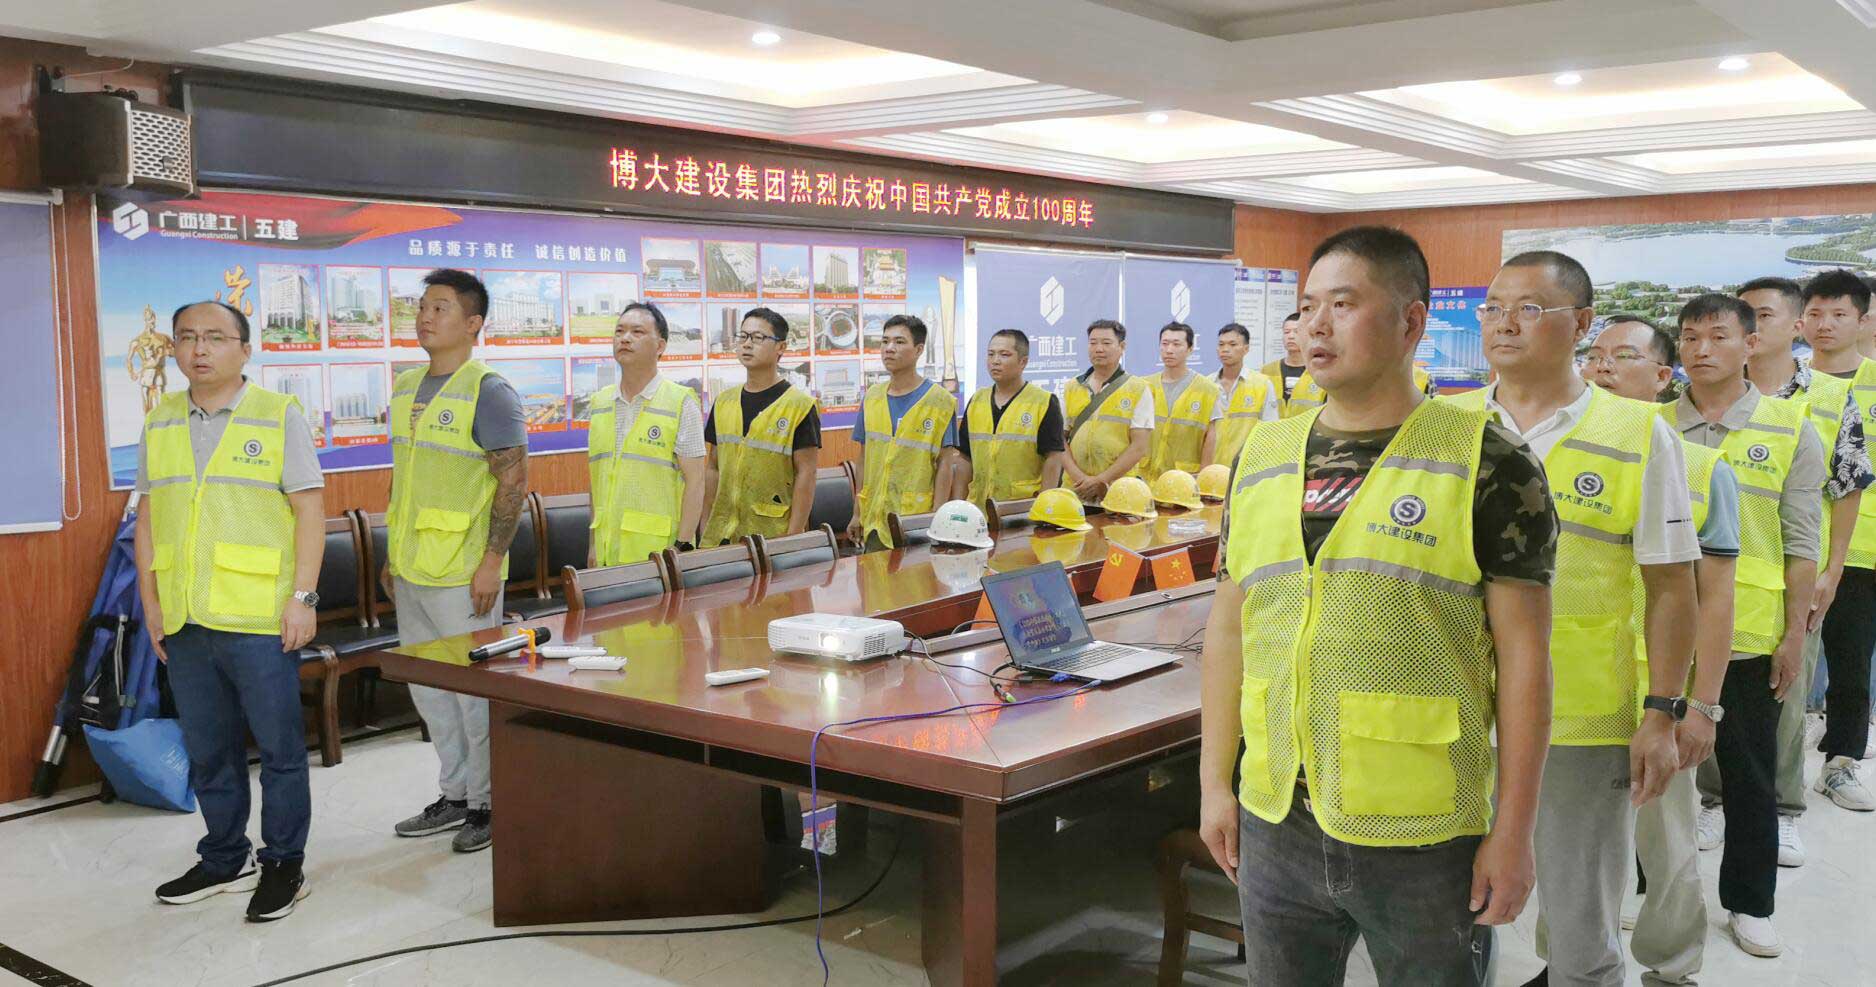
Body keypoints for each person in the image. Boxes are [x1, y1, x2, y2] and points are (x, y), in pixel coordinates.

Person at [1197, 226, 1556, 987]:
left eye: (1344, 304)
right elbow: (1229, 630)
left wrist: (1514, 830)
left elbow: (1526, 661)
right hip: (1276, 812)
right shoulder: (1262, 455)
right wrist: (1214, 784)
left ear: (1411, 321)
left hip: (1422, 827)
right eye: (1307, 307)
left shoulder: (1489, 461)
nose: (1316, 326)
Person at [1445, 253, 1697, 987]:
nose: (1504, 324)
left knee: (1580, 924)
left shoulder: (1639, 433)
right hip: (1449, 712)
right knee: (1446, 915)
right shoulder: (1444, 424)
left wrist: (1662, 712)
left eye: (1529, 308)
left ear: (1581, 323)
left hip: (1580, 718)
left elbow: (1671, 588)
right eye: (1493, 308)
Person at [137, 301, 322, 922]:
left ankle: (284, 863)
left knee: (280, 751)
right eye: (187, 337)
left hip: (261, 618)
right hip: (186, 618)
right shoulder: (161, 420)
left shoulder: (277, 414)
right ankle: (224, 857)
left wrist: (303, 597)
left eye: (215, 338)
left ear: (245, 349)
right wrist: (152, 603)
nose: (199, 349)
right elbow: (148, 521)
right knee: (209, 749)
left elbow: (310, 511)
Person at [1586, 315, 1740, 987]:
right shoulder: (1559, 456)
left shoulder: (1703, 469)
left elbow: (1716, 600)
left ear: (1662, 376)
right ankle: (1568, 959)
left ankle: (1672, 967)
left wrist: (1701, 704)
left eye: (1623, 355)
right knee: (1573, 844)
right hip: (1581, 686)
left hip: (1663, 697)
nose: (1602, 366)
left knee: (1667, 841)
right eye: (1595, 354)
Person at [1670, 292, 1825, 957]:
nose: (1701, 349)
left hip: (1750, 635)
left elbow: (1802, 541)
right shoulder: (1651, 425)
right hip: (1659, 632)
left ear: (1750, 343)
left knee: (1750, 776)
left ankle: (1750, 902)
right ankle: (1650, 890)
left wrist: (1795, 634)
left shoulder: (1790, 427)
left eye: (1717, 336)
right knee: (1652, 774)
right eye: (1689, 337)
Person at [383, 269, 530, 855]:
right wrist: (392, 555)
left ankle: (489, 803)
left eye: (440, 307)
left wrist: (492, 561)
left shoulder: (489, 391)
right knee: (431, 690)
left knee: (475, 694)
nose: (425, 316)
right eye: (422, 306)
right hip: (412, 566)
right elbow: (404, 480)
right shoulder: (404, 387)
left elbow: (513, 483)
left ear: (473, 324)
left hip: (466, 572)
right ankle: (455, 793)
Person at [1733, 276, 1873, 855]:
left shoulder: (1832, 397)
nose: (1750, 326)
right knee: (1713, 688)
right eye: (1743, 314)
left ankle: (1791, 800)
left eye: (1764, 315)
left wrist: (1832, 569)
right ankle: (1715, 801)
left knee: (1798, 687)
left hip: (1804, 564)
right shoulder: (1709, 390)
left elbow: (1848, 486)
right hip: (1727, 568)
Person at [1792, 270, 1876, 812]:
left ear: (1862, 320)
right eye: (1816, 314)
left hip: (1863, 551)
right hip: (1793, 550)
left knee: (1851, 663)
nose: (1825, 325)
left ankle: (1840, 763)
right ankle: (1757, 778)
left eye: (1839, 314)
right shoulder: (1788, 385)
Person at [587, 301, 706, 566]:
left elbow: (696, 481)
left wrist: (682, 546)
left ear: (660, 346)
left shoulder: (680, 402)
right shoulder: (599, 403)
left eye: (637, 332)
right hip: (605, 555)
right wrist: (593, 545)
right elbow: (597, 481)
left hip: (659, 556)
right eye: (619, 331)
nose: (625, 338)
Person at [701, 307, 821, 546]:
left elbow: (806, 474)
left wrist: (793, 536)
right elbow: (713, 467)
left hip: (772, 536)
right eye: (743, 336)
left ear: (781, 347)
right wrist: (705, 526)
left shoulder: (800, 406)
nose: (747, 344)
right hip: (721, 536)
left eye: (757, 338)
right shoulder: (724, 402)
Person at [849, 314, 961, 550]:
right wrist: (857, 512)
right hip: (874, 520)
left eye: (899, 342)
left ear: (919, 350)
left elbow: (944, 464)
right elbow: (864, 458)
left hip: (916, 521)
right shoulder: (872, 397)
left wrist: (936, 515)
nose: (889, 348)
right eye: (885, 341)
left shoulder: (941, 401)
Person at [955, 329, 1066, 503]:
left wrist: (1044, 506)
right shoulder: (977, 400)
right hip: (978, 508)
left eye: (1004, 355)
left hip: (1021, 507)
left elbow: (1053, 459)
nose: (995, 361)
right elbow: (964, 458)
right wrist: (958, 504)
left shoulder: (1043, 402)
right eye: (991, 354)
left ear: (1023, 362)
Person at [1061, 319, 1151, 502]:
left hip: (1119, 491)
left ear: (1122, 347)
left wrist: (1101, 480)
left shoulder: (1138, 389)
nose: (1099, 349)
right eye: (1093, 343)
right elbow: (1059, 440)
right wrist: (1080, 479)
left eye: (1106, 343)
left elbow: (1139, 447)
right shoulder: (1072, 387)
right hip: (1075, 491)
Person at [1139, 321, 1222, 478]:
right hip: (1145, 477)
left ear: (1190, 349)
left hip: (1184, 479)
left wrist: (1203, 476)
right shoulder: (1144, 386)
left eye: (1176, 344)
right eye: (1165, 344)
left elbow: (1210, 437)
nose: (1169, 350)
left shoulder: (1207, 390)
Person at [1212, 322, 1278, 467]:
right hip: (1213, 469)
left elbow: (1270, 431)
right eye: (1221, 344)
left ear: (1246, 349)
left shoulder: (1262, 384)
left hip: (1248, 468)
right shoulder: (1207, 384)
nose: (1225, 349)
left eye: (1232, 344)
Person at [1260, 311, 1308, 416]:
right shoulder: (1267, 370)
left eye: (1296, 332)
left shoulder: (1316, 371)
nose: (1291, 336)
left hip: (1306, 426)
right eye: (1286, 332)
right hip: (1275, 426)